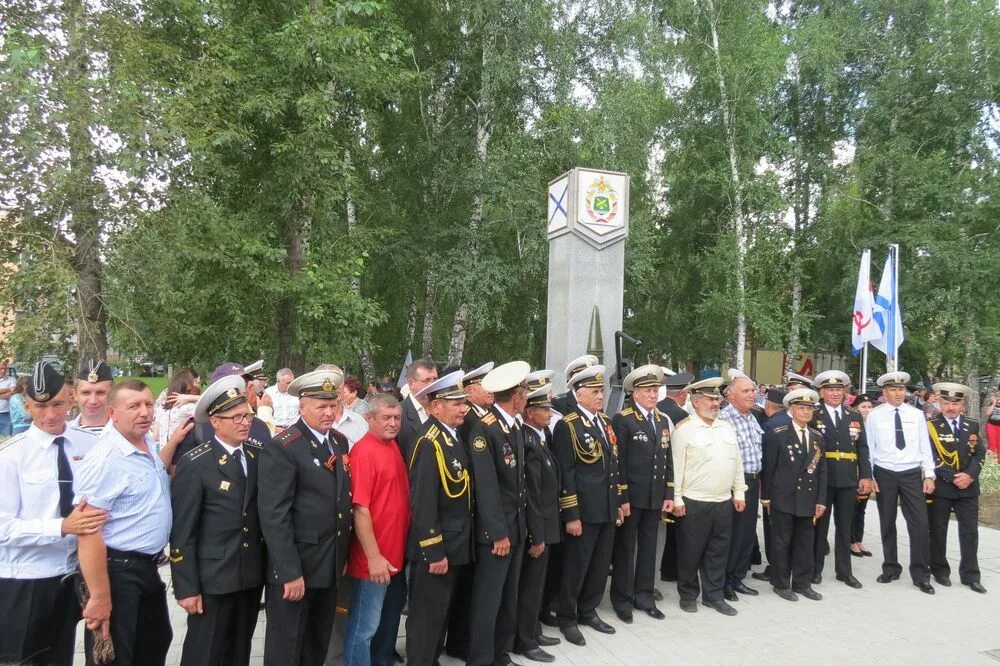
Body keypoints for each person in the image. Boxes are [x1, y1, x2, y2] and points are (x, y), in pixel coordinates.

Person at [0, 361, 103, 666]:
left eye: (58, 404)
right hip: (26, 579)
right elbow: (3, 528)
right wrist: (61, 527)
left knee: (61, 658)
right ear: (27, 406)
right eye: (41, 406)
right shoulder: (12, 456)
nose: (51, 414)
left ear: (71, 399)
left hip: (73, 575)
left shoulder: (90, 444)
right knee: (23, 659)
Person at [75, 379, 174, 666]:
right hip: (117, 572)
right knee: (116, 655)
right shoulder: (106, 458)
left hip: (146, 568)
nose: (144, 412)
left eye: (148, 404)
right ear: (112, 413)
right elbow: (88, 532)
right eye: (133, 406)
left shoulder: (145, 443)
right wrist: (100, 597)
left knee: (154, 643)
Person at [169, 374, 266, 666]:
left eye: (247, 415)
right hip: (212, 578)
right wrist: (186, 587)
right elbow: (183, 530)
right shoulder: (196, 463)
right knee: (206, 652)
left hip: (249, 575)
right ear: (215, 422)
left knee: (239, 650)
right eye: (235, 417)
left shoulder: (258, 455)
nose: (244, 422)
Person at [258, 370, 353, 666]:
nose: (328, 413)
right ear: (302, 407)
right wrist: (288, 571)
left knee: (317, 642)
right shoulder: (284, 447)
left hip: (329, 562)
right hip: (297, 566)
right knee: (287, 647)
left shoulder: (338, 442)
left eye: (332, 406)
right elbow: (275, 515)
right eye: (320, 407)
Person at [551, 364, 625, 646]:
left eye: (601, 391)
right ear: (578, 394)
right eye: (594, 391)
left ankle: (588, 609)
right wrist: (571, 515)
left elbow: (613, 466)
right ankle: (567, 617)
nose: (600, 396)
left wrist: (617, 502)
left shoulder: (605, 422)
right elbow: (566, 474)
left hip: (606, 508)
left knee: (598, 565)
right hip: (583, 511)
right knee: (576, 566)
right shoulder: (568, 426)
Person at [405, 371, 474, 666]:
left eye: (463, 402)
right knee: (427, 618)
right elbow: (422, 503)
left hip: (456, 542)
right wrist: (434, 550)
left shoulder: (451, 437)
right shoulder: (428, 442)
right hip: (437, 547)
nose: (463, 409)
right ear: (436, 407)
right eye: (456, 403)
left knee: (441, 613)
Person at [466, 361, 530, 666]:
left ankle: (500, 654)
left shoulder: (512, 425)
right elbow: (487, 487)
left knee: (508, 596)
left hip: (515, 527)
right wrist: (498, 534)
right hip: (498, 533)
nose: (528, 396)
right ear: (516, 395)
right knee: (488, 599)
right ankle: (481, 658)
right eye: (525, 391)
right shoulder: (485, 429)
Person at [342, 393, 410, 666]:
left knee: (385, 622)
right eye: (386, 418)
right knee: (364, 628)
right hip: (373, 561)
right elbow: (360, 509)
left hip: (394, 555)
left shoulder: (391, 446)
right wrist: (373, 557)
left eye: (397, 418)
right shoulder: (364, 452)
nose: (393, 424)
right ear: (369, 418)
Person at [671, 377, 747, 617]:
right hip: (694, 501)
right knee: (690, 552)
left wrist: (740, 491)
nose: (716, 404)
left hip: (722, 500)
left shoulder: (726, 427)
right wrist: (677, 498)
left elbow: (736, 463)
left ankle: (713, 596)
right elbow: (676, 467)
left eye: (717, 399)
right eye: (710, 400)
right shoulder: (684, 430)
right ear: (695, 402)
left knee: (718, 551)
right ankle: (688, 594)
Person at [610, 365, 673, 623]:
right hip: (632, 497)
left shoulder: (661, 420)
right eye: (647, 390)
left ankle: (644, 596)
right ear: (635, 393)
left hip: (654, 496)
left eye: (655, 389)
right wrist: (622, 498)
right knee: (626, 549)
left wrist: (669, 492)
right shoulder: (623, 419)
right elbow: (618, 463)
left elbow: (667, 459)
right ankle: (622, 599)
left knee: (648, 548)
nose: (652, 394)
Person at [866, 371, 936, 594]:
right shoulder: (875, 415)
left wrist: (929, 474)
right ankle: (891, 567)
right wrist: (871, 476)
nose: (898, 393)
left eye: (901, 389)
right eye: (893, 389)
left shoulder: (916, 414)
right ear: (884, 392)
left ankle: (920, 573)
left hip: (911, 473)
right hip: (885, 472)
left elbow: (925, 445)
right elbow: (870, 448)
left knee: (919, 523)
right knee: (887, 521)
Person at [761, 389, 827, 602]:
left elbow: (822, 472)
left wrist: (821, 500)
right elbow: (769, 467)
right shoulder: (778, 433)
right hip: (784, 497)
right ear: (791, 409)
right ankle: (780, 583)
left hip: (807, 499)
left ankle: (802, 583)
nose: (806, 412)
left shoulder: (817, 437)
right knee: (781, 542)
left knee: (805, 542)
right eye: (801, 407)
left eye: (809, 408)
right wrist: (767, 497)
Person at [810, 370, 872, 589]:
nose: (835, 393)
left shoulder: (854, 416)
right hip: (823, 478)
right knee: (820, 527)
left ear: (845, 392)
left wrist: (866, 475)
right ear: (822, 392)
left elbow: (862, 448)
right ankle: (815, 570)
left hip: (847, 478)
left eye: (839, 389)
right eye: (830, 390)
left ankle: (844, 571)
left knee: (845, 527)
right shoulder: (814, 414)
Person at [514, 385, 562, 664]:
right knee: (529, 587)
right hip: (537, 528)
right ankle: (525, 640)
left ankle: (533, 629)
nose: (548, 414)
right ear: (529, 413)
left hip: (545, 523)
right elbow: (531, 494)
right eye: (544, 409)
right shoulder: (528, 441)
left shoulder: (540, 438)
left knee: (538, 585)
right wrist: (537, 535)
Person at [927, 382, 987, 593]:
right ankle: (940, 571)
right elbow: (929, 457)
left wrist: (969, 475)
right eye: (946, 402)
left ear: (963, 404)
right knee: (938, 530)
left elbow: (979, 453)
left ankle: (971, 575)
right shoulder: (931, 425)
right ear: (939, 402)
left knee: (970, 532)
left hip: (968, 488)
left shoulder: (972, 424)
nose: (951, 407)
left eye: (956, 402)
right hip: (943, 487)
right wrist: (953, 477)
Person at [166, 362, 272, 468]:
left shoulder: (261, 426)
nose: (239, 390)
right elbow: (180, 472)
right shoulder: (195, 428)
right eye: (230, 385)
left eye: (244, 383)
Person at [719, 373, 763, 601]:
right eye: (746, 391)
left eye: (753, 391)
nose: (752, 395)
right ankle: (724, 581)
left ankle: (738, 578)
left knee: (747, 534)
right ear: (731, 395)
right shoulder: (724, 419)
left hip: (754, 481)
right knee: (733, 534)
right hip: (735, 483)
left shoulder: (752, 417)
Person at [657, 371, 692, 583]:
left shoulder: (659, 410)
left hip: (660, 482)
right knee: (672, 532)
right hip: (673, 481)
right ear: (682, 395)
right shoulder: (680, 416)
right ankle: (670, 570)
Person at [850, 392, 877, 557]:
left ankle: (858, 539)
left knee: (862, 508)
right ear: (855, 409)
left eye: (869, 407)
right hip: (855, 471)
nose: (867, 410)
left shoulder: (875, 425)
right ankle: (851, 540)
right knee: (851, 508)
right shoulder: (852, 425)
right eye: (863, 407)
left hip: (870, 471)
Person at [398, 358, 438, 460]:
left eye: (435, 379)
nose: (433, 385)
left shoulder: (442, 409)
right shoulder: (399, 414)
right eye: (427, 381)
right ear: (411, 383)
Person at [155, 368, 201, 454]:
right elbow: (211, 404)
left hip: (163, 452)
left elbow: (155, 435)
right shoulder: (187, 407)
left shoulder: (162, 405)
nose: (198, 385)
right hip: (180, 454)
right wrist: (191, 397)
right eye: (195, 382)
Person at [70, 360, 115, 435]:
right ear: (75, 394)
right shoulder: (63, 434)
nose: (93, 401)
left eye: (100, 393)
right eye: (86, 393)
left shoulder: (126, 433)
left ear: (113, 394)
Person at [0, 358, 15, 437]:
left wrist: (10, 391)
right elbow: (10, 390)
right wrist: (8, 389)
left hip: (6, 414)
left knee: (5, 439)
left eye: (5, 369)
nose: (3, 371)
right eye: (1, 369)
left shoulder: (11, 379)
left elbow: (12, 394)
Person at [985, 386, 1000, 458]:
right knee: (992, 444)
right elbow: (988, 413)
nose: (998, 398)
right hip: (991, 425)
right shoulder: (992, 404)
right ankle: (991, 461)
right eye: (997, 397)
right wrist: (994, 404)